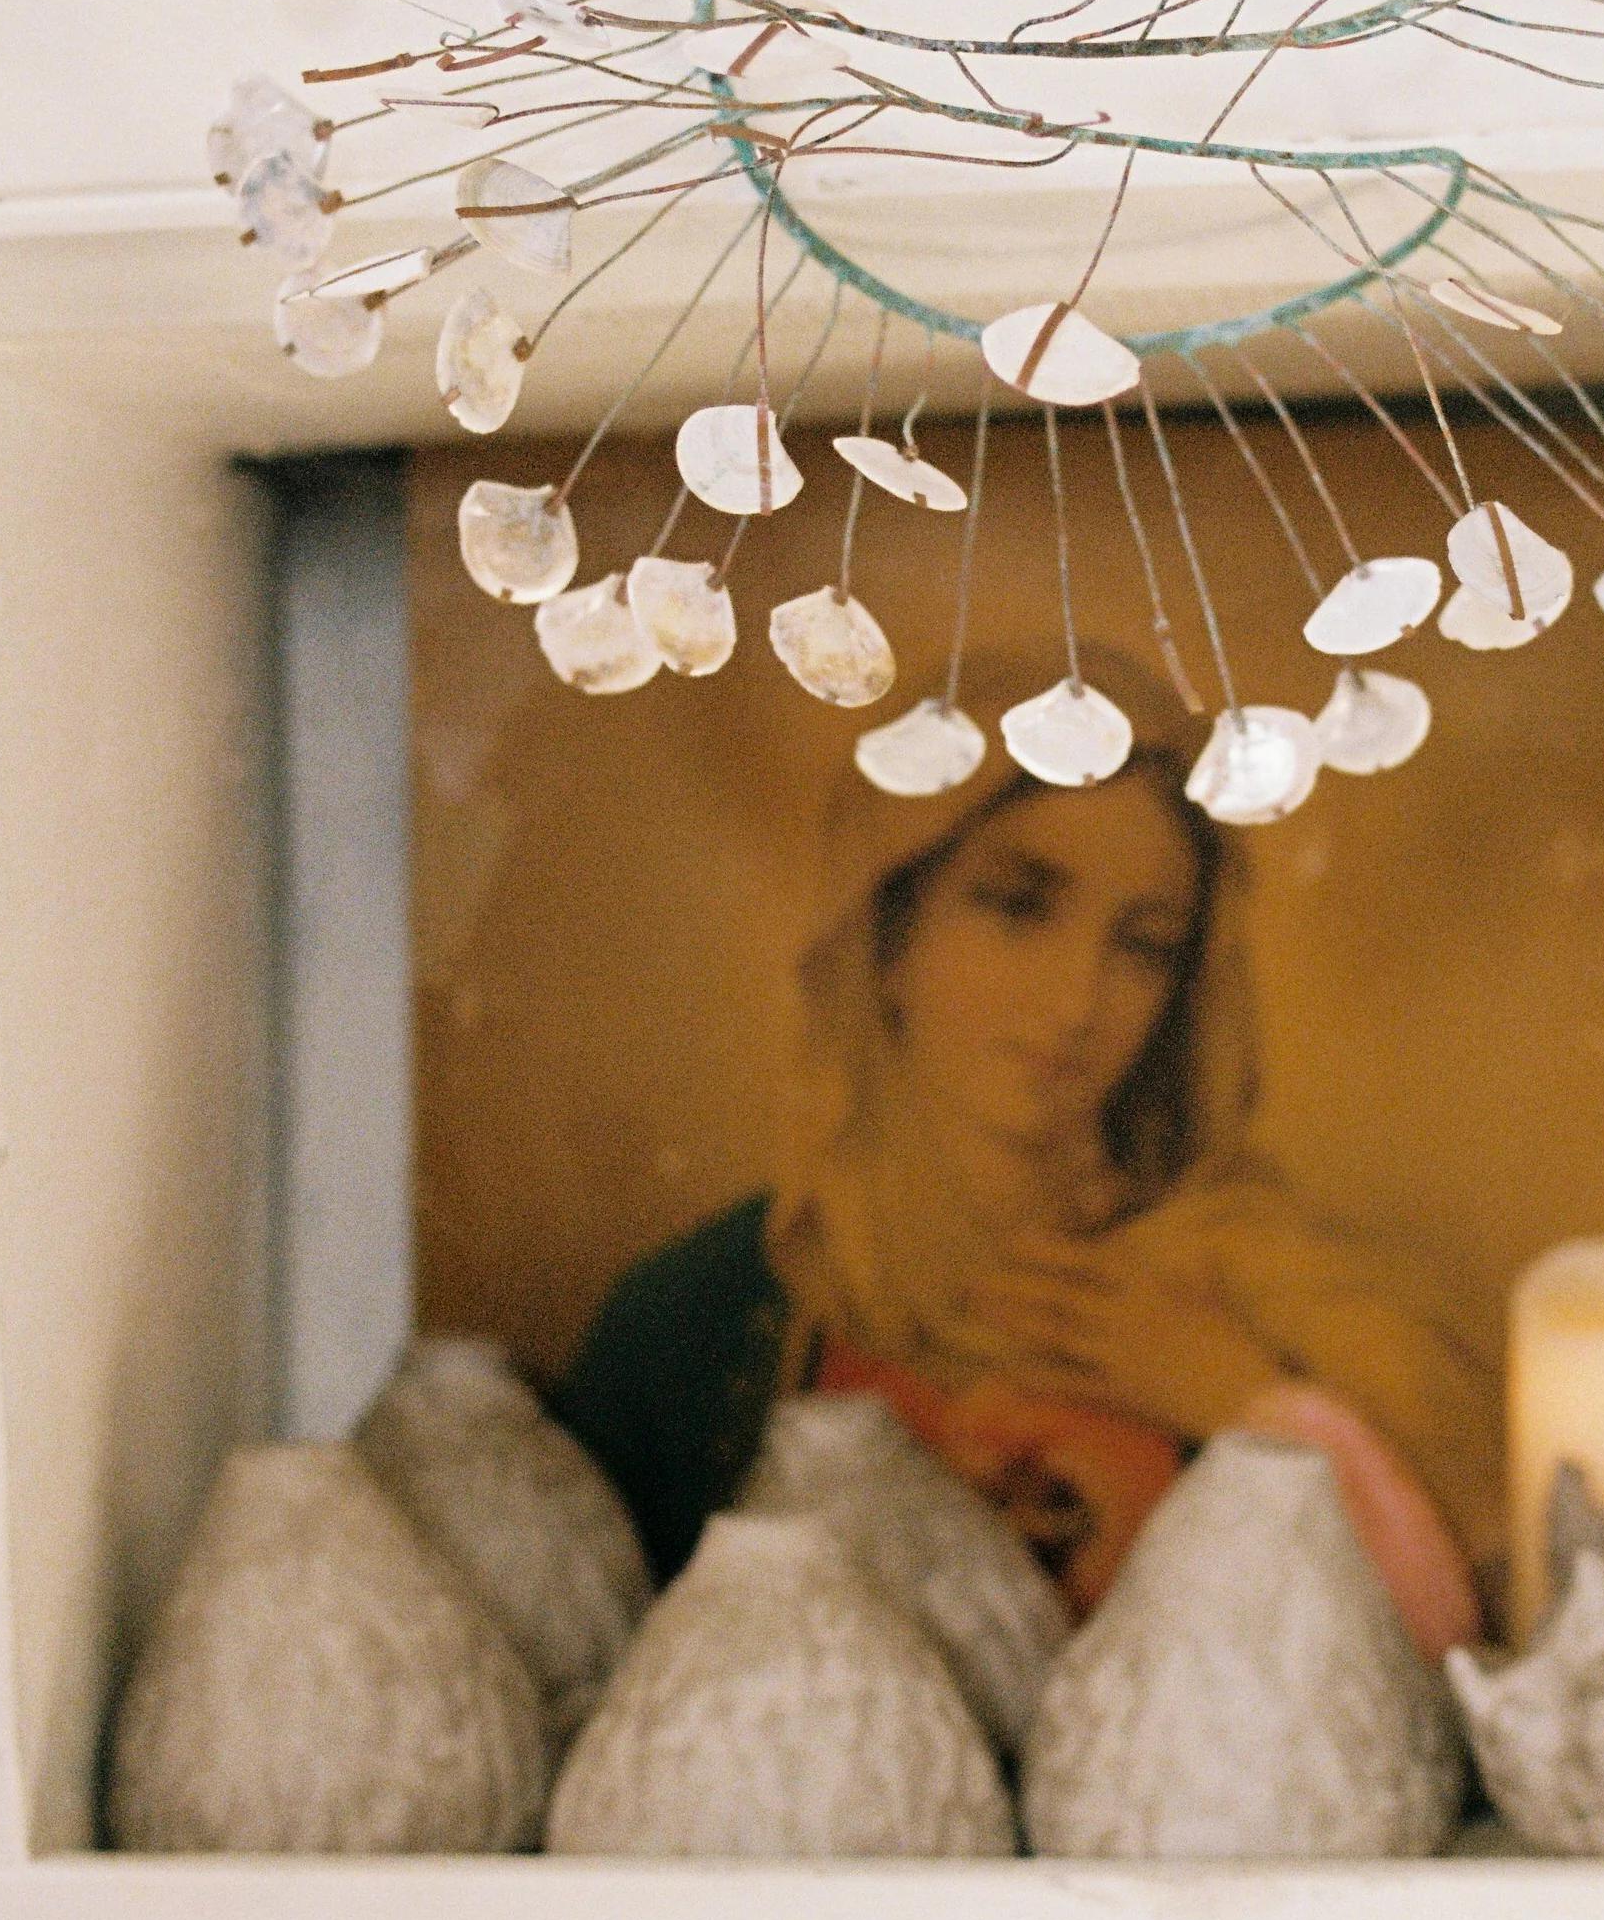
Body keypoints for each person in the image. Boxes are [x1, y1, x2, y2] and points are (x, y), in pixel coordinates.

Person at [551, 646, 1498, 1658]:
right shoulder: (695, 1324)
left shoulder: (1267, 1298)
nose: (1078, 1000)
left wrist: (1241, 1403)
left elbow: (1449, 1666)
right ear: (888, 930)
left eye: (1143, 944)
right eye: (1016, 905)